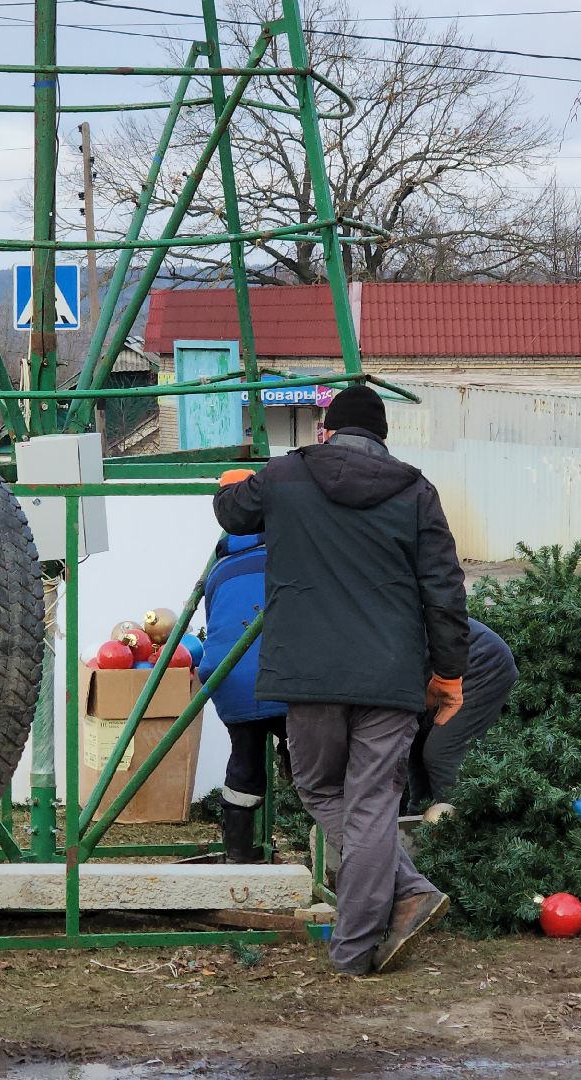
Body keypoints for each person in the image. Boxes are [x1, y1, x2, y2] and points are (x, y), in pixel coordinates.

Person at [213, 383, 469, 976]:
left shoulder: (283, 476)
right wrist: (448, 673)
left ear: (326, 430)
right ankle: (402, 895)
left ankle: (357, 948)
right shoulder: (415, 490)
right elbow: (445, 590)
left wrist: (232, 483)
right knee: (373, 803)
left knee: (321, 789)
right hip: (390, 675)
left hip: (310, 674)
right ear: (382, 436)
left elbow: (233, 513)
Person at [197, 531, 288, 863]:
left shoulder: (219, 569)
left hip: (229, 674)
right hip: (284, 674)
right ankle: (316, 835)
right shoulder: (292, 555)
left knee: (244, 757)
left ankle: (238, 852)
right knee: (311, 751)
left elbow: (218, 621)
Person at [406, 617, 517, 812]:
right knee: (413, 747)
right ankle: (416, 823)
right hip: (433, 669)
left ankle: (459, 832)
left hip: (480, 662)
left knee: (442, 754)